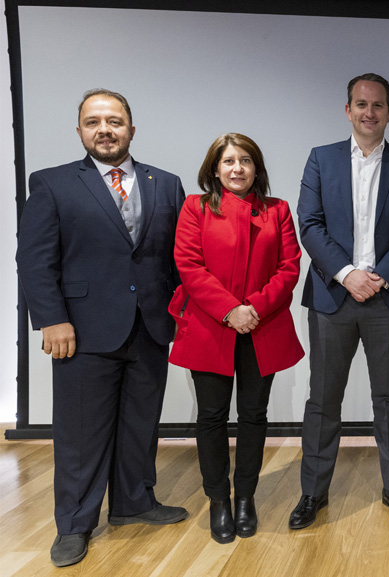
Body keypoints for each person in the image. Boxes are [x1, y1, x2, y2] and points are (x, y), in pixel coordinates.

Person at [16, 89, 189, 567]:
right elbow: (33, 261)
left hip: (150, 327)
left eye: (114, 121)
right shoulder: (52, 184)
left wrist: (180, 315)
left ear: (132, 128)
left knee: (140, 425)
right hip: (81, 331)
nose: (104, 129)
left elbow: (176, 259)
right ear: (79, 132)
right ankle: (74, 524)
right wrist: (52, 319)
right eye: (93, 122)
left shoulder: (165, 183)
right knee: (80, 433)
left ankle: (134, 503)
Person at [292, 73, 389, 528]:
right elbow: (309, 224)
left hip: (387, 300)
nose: (369, 112)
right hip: (334, 297)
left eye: (377, 105)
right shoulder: (321, 159)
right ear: (347, 109)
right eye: (360, 104)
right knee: (323, 399)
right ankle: (313, 493)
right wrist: (349, 274)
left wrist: (379, 277)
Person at [169, 133, 304, 544]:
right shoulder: (195, 208)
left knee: (253, 416)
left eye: (245, 161)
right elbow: (188, 265)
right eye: (228, 161)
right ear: (215, 168)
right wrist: (231, 310)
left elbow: (289, 268)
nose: (237, 168)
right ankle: (218, 500)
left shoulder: (277, 210)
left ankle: (245, 497)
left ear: (256, 168)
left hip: (261, 327)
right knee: (210, 417)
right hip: (212, 327)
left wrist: (254, 310)